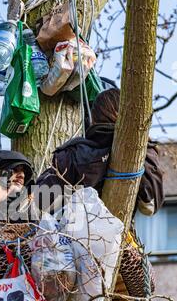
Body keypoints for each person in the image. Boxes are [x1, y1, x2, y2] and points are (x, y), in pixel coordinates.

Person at [37, 88, 164, 216]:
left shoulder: (74, 153)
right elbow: (150, 207)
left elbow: (40, 201)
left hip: (75, 232)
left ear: (95, 118)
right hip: (118, 233)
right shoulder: (144, 151)